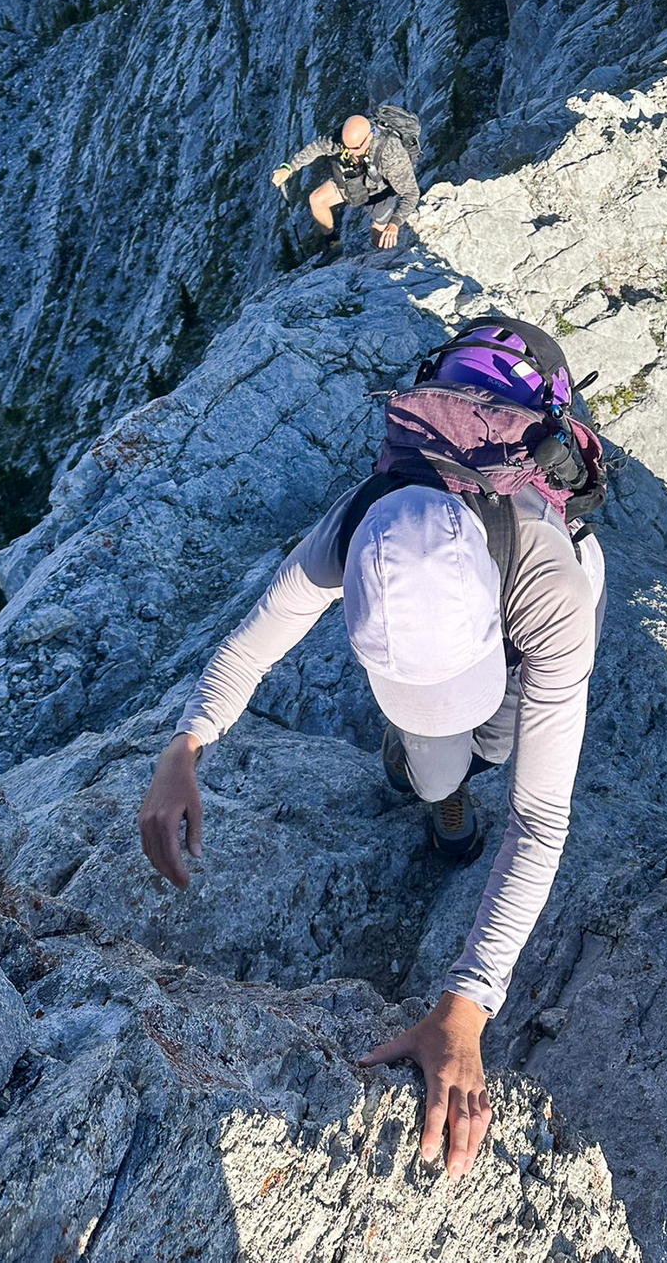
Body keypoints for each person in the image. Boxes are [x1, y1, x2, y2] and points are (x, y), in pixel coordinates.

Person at [139, 322, 607, 1183]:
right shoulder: (360, 525)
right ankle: (435, 778)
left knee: (501, 749)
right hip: (477, 591)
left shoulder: (552, 594)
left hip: (532, 572)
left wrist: (468, 1007)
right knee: (439, 768)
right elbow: (254, 641)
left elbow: (542, 823)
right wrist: (186, 745)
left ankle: (457, 757)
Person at [270, 112, 419, 262]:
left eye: (355, 148)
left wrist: (395, 223)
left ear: (370, 136)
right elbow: (316, 148)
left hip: (380, 192)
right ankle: (333, 245)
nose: (349, 152)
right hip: (353, 181)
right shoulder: (341, 139)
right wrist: (289, 168)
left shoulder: (392, 154)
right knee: (317, 200)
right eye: (346, 147)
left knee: (378, 240)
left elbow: (411, 193)